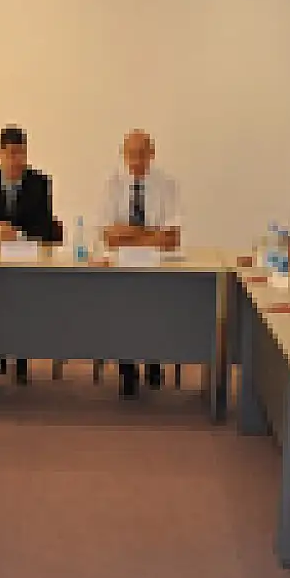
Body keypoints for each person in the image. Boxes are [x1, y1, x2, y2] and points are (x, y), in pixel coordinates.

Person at [0, 125, 59, 384]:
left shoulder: (39, 182)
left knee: (20, 301)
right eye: (10, 154)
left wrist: (16, 233)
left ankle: (20, 358)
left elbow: (46, 228)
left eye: (20, 154)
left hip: (27, 264)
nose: (15, 160)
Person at [100, 129, 181, 397]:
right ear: (123, 155)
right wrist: (149, 234)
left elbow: (171, 239)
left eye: (141, 154)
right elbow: (109, 237)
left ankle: (153, 362)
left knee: (154, 310)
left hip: (157, 266)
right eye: (131, 154)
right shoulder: (112, 184)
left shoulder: (167, 184)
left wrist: (130, 234)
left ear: (152, 154)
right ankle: (127, 369)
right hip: (121, 266)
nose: (136, 161)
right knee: (122, 312)